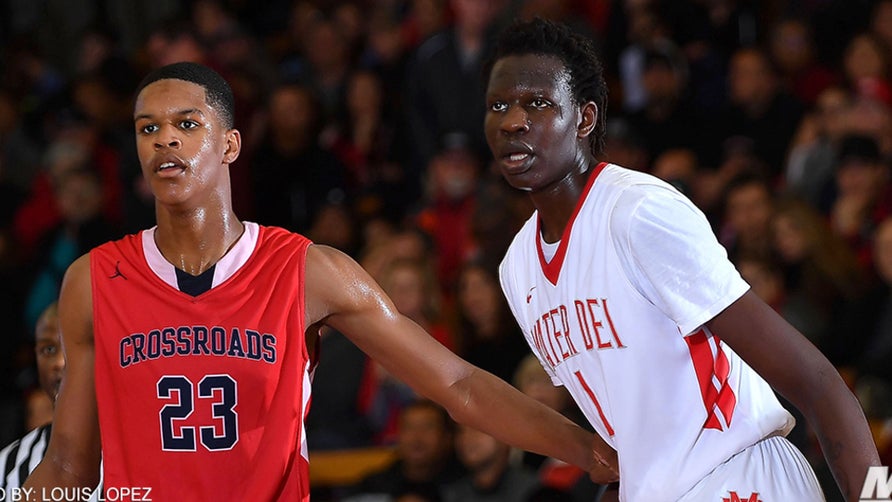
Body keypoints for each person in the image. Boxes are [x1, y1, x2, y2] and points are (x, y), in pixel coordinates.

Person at [23, 62, 617, 501]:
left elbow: (457, 384)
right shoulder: (95, 280)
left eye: (186, 123)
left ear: (229, 144)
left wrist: (587, 448)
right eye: (147, 129)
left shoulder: (308, 271)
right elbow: (70, 467)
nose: (165, 140)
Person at [484, 18, 880, 501]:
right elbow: (632, 441)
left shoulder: (638, 212)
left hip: (739, 480)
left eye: (539, 103)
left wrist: (880, 496)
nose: (511, 121)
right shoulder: (517, 269)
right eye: (499, 105)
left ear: (584, 119)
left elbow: (819, 382)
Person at [0, 303, 63, 489]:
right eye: (48, 350)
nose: (59, 363)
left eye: (72, 347)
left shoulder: (141, 453)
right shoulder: (6, 467)